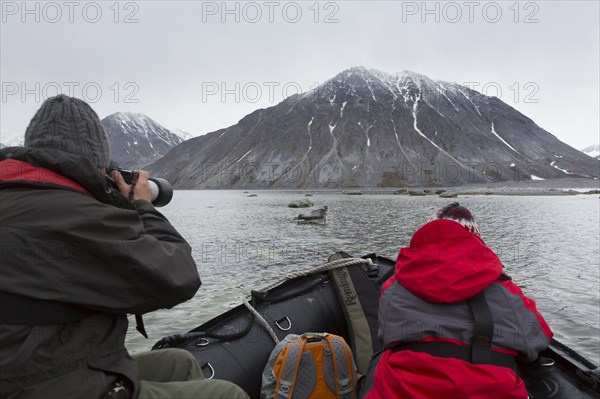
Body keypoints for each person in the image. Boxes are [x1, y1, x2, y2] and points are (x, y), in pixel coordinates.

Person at [0, 95, 249, 399]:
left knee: (179, 363)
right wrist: (143, 206)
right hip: (53, 382)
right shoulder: (82, 218)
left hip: (41, 366)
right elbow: (179, 276)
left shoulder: (18, 196)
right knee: (228, 394)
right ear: (94, 163)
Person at [364, 203, 553, 399]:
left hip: (399, 392)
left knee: (379, 360)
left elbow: (386, 337)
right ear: (476, 241)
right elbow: (539, 338)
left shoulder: (393, 287)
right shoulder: (506, 292)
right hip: (491, 391)